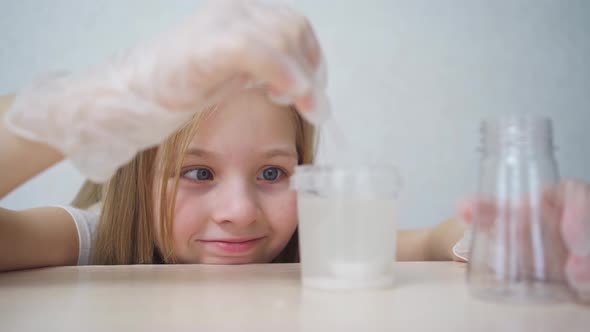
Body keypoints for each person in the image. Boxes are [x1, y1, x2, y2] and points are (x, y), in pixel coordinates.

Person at [0, 0, 466, 271]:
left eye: (271, 172)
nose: (240, 213)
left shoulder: (308, 240)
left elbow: (429, 245)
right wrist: (110, 96)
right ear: (134, 173)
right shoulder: (96, 236)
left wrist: (486, 238)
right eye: (198, 172)